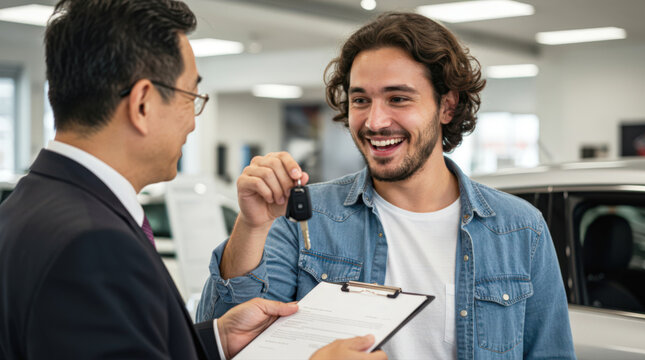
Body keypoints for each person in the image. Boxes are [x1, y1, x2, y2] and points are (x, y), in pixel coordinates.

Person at [0, 1, 386, 359]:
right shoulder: (93, 244)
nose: (193, 118)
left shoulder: (28, 206)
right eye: (190, 96)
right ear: (143, 103)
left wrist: (214, 339)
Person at [197, 12, 576, 360]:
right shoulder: (304, 217)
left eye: (398, 98)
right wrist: (251, 226)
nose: (375, 121)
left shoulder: (520, 229)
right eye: (361, 99)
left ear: (446, 106)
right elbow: (231, 343)